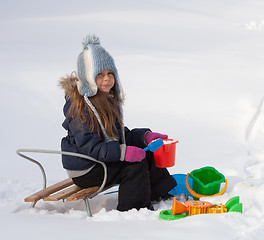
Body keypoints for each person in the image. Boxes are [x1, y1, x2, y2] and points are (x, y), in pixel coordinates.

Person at [59, 34, 177, 211]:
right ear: (88, 78)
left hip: (102, 159)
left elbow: (118, 134)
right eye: (99, 75)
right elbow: (90, 147)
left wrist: (144, 137)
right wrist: (123, 153)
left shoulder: (104, 99)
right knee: (135, 164)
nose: (107, 79)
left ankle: (161, 195)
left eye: (110, 73)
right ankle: (134, 209)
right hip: (87, 168)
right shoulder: (80, 108)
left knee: (148, 153)